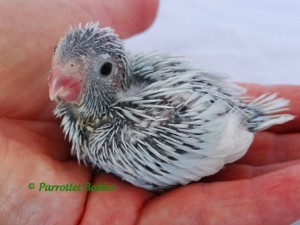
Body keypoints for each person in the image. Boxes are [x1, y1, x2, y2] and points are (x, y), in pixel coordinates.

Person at [0, 1, 299, 224]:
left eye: (102, 69)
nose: (61, 75)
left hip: (224, 128)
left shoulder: (113, 140)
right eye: (59, 55)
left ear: (117, 75)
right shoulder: (89, 109)